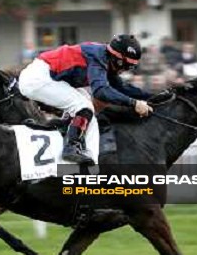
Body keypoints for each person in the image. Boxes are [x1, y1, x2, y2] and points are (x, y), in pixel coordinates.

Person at [18, 34, 152, 164]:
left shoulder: (106, 57)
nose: (126, 70)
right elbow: (101, 92)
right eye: (127, 65)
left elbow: (122, 87)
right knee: (84, 107)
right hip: (39, 78)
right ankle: (72, 149)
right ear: (118, 58)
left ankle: (72, 141)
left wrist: (153, 97)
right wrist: (133, 103)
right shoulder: (98, 57)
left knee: (88, 109)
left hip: (48, 77)